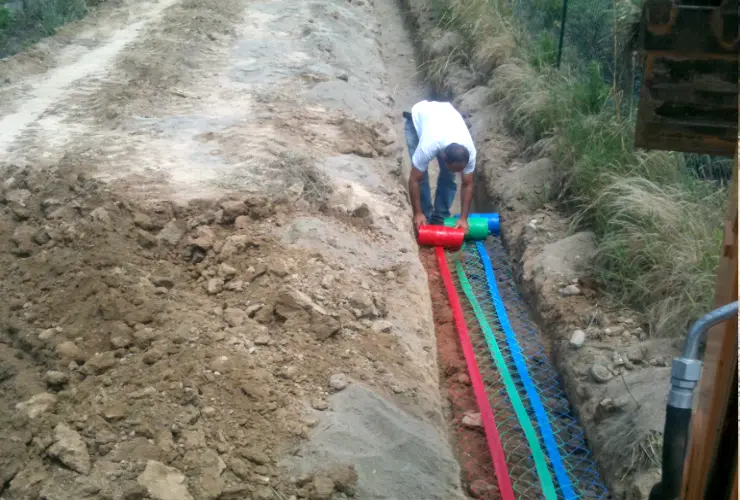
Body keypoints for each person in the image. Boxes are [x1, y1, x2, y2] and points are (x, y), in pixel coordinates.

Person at [403, 100, 476, 232]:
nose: (458, 172)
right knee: (422, 176)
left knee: (449, 176)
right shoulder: (429, 145)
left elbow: (468, 183)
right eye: (454, 168)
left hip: (443, 117)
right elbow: (414, 179)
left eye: (460, 169)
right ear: (443, 157)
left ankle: (440, 216)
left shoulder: (469, 151)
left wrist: (464, 218)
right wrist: (417, 213)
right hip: (416, 121)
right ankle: (424, 216)